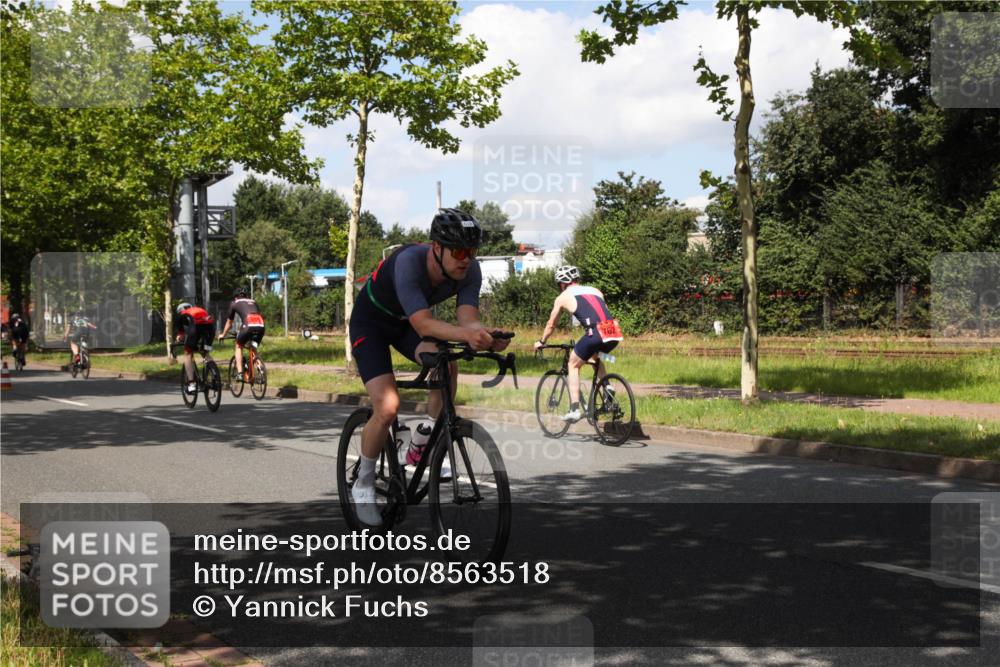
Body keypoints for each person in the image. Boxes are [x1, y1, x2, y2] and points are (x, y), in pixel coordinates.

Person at [348, 208, 511, 526]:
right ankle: (363, 483)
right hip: (371, 325)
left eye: (472, 251)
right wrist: (468, 335)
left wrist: (485, 336)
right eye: (459, 252)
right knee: (388, 407)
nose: (466, 259)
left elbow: (468, 320)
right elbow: (424, 324)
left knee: (446, 366)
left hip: (405, 326)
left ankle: (422, 441)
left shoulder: (470, 271)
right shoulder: (408, 261)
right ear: (437, 247)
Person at [533, 265, 624, 422]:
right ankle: (607, 387)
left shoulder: (562, 297)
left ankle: (574, 409)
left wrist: (542, 342)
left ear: (563, 283)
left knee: (573, 365)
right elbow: (601, 313)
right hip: (613, 330)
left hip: (595, 332)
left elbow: (551, 325)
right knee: (595, 357)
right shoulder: (596, 291)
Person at [217, 287, 265, 379]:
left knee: (238, 346)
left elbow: (229, 322)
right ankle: (260, 369)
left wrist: (223, 334)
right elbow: (260, 315)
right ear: (246, 296)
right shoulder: (253, 301)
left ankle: (240, 373)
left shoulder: (235, 303)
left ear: (235, 297)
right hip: (260, 325)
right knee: (253, 348)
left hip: (248, 325)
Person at [174, 302, 216, 394]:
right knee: (205, 352)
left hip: (196, 328)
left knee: (188, 353)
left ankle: (191, 384)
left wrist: (179, 339)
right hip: (210, 328)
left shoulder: (182, 315)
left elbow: (181, 335)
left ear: (180, 311)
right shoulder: (199, 309)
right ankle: (215, 376)